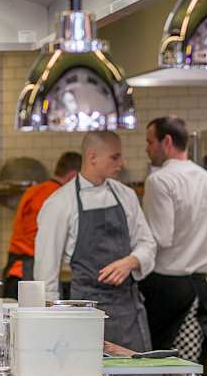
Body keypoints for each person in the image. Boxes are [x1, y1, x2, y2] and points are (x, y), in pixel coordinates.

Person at [34, 130, 157, 351]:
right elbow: (46, 274)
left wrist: (131, 261)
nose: (122, 163)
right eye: (115, 157)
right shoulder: (60, 203)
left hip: (128, 311)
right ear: (92, 157)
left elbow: (147, 244)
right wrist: (51, 324)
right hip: (85, 313)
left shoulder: (126, 195)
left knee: (137, 371)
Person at [139, 116, 207, 355]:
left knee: (159, 360)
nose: (147, 149)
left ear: (166, 142)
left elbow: (159, 238)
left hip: (166, 288)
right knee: (191, 362)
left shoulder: (159, 181)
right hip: (199, 285)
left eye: (150, 142)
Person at [2, 151, 82, 298]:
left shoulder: (33, 191)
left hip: (14, 273)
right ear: (73, 176)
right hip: (31, 276)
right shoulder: (58, 197)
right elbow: (46, 242)